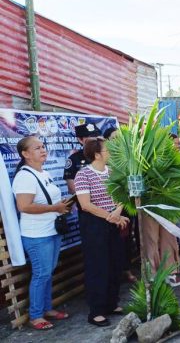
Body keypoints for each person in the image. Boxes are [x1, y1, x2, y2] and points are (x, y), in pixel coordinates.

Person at [12, 136, 71, 330]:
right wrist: (55, 208)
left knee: (48, 272)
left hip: (50, 230)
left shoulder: (42, 173)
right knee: (41, 274)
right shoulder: (25, 176)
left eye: (43, 146)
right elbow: (24, 206)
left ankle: (47, 308)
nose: (43, 150)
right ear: (25, 154)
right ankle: (36, 315)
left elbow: (46, 200)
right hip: (37, 235)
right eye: (37, 148)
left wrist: (62, 205)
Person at [75, 137, 130, 326]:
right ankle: (96, 310)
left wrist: (117, 212)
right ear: (96, 154)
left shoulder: (112, 172)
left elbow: (121, 195)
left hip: (113, 222)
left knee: (115, 264)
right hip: (94, 225)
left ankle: (111, 303)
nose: (110, 153)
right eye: (107, 150)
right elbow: (85, 205)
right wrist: (111, 216)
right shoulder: (84, 174)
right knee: (98, 266)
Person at [64, 123, 101, 194]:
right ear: (80, 140)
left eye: (96, 135)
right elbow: (72, 189)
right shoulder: (73, 159)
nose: (95, 139)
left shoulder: (105, 155)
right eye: (90, 136)